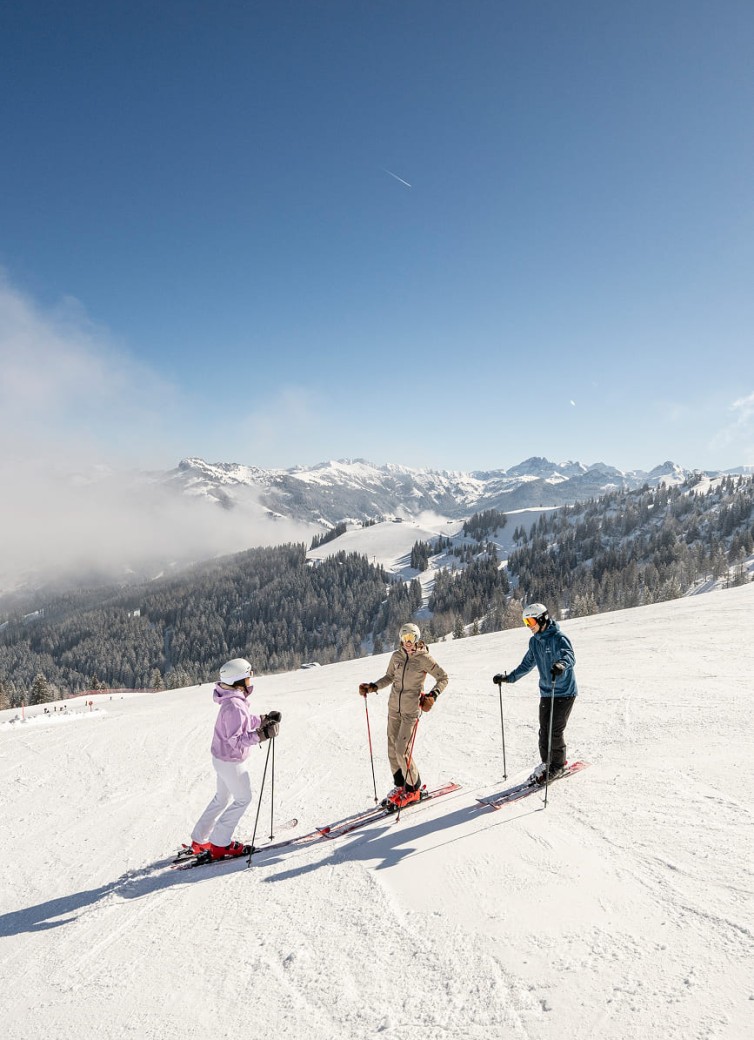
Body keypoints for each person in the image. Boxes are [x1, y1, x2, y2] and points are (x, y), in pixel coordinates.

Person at [189, 658, 281, 859]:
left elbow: (243, 721)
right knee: (243, 798)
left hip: (222, 759)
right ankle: (220, 843)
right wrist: (262, 735)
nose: (250, 681)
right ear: (239, 680)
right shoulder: (234, 705)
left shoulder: (233, 700)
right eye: (248, 677)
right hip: (231, 761)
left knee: (222, 798)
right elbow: (236, 740)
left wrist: (263, 719)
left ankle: (199, 839)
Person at [359, 622, 448, 809]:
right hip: (393, 709)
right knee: (392, 750)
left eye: (411, 638)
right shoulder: (396, 656)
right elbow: (389, 677)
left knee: (402, 750)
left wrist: (432, 696)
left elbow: (443, 678)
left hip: (410, 711)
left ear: (417, 638)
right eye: (404, 638)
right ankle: (400, 786)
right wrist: (373, 686)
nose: (408, 642)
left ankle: (413, 788)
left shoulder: (424, 658)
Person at [493, 602, 577, 784]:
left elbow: (569, 655)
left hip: (564, 692)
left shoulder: (558, 637)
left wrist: (562, 665)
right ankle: (546, 763)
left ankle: (558, 765)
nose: (529, 626)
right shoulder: (534, 641)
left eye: (530, 621)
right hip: (547, 692)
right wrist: (508, 678)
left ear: (542, 618)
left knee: (555, 731)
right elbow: (526, 664)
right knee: (544, 731)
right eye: (526, 622)